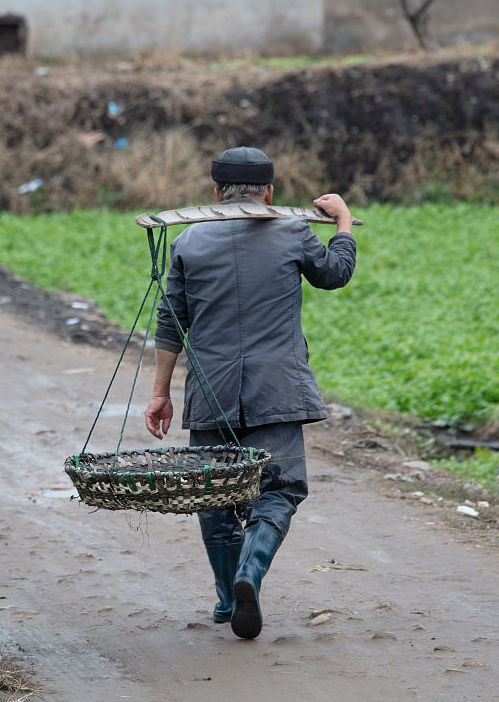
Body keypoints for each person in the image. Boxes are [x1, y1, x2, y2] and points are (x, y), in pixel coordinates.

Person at [144, 145, 356, 640]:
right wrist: (343, 221)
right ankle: (250, 574)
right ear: (271, 193)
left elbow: (171, 323)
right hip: (276, 387)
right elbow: (334, 274)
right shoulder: (293, 231)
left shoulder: (189, 241)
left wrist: (160, 393)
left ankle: (225, 596)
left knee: (215, 494)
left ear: (216, 193)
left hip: (211, 390)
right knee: (280, 489)